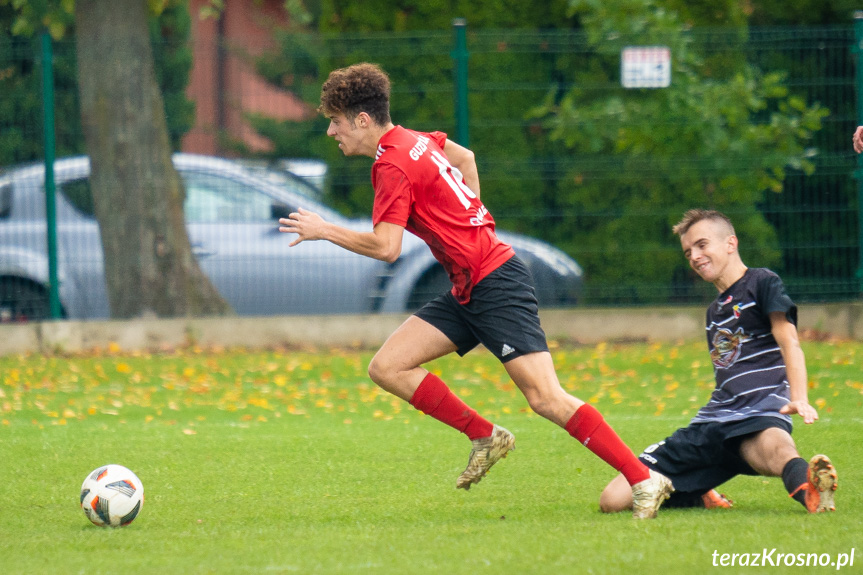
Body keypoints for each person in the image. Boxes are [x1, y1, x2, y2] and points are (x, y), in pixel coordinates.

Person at [278, 62, 673, 518]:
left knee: (546, 398)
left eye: (336, 120)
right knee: (388, 366)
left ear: (362, 120)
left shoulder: (391, 165)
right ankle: (485, 435)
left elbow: (387, 248)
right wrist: (473, 215)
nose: (331, 131)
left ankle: (644, 480)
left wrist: (325, 230)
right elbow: (465, 159)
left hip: (496, 283)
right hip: (468, 286)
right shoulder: (417, 140)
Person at [599, 209, 838, 515]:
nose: (695, 257)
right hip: (711, 424)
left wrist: (799, 398)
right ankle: (700, 492)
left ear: (730, 243)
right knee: (612, 500)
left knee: (780, 451)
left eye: (701, 245)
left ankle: (814, 494)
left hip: (759, 418)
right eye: (688, 252)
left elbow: (789, 342)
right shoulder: (714, 312)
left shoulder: (762, 282)